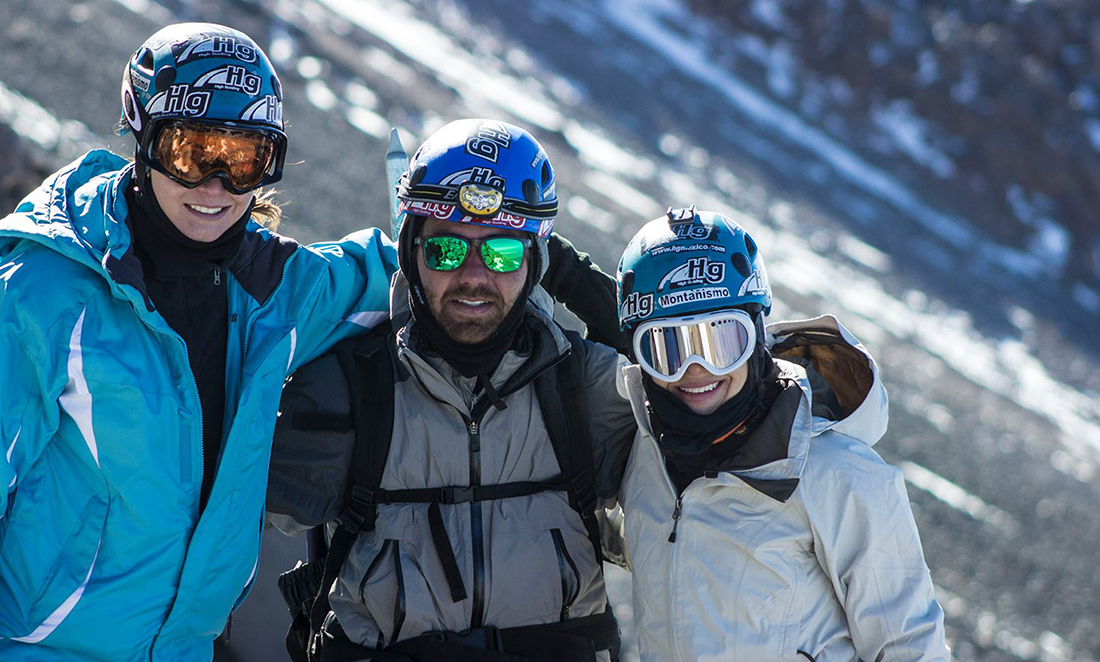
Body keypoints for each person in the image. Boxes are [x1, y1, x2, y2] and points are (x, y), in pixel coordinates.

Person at [0, 23, 395, 662]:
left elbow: (407, 277)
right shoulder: (43, 291)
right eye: (191, 151)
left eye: (244, 160)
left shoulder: (272, 294)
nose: (215, 185)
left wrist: (541, 263)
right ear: (143, 138)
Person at [266, 118, 637, 662]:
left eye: (504, 254)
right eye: (444, 251)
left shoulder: (584, 387)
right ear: (410, 251)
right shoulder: (348, 388)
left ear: (537, 263)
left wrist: (575, 278)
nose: (472, 275)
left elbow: (694, 407)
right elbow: (209, 492)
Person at [609, 205, 949, 661]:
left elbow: (910, 646)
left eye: (721, 341)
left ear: (757, 333)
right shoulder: (646, 454)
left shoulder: (836, 474)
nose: (696, 370)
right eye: (666, 348)